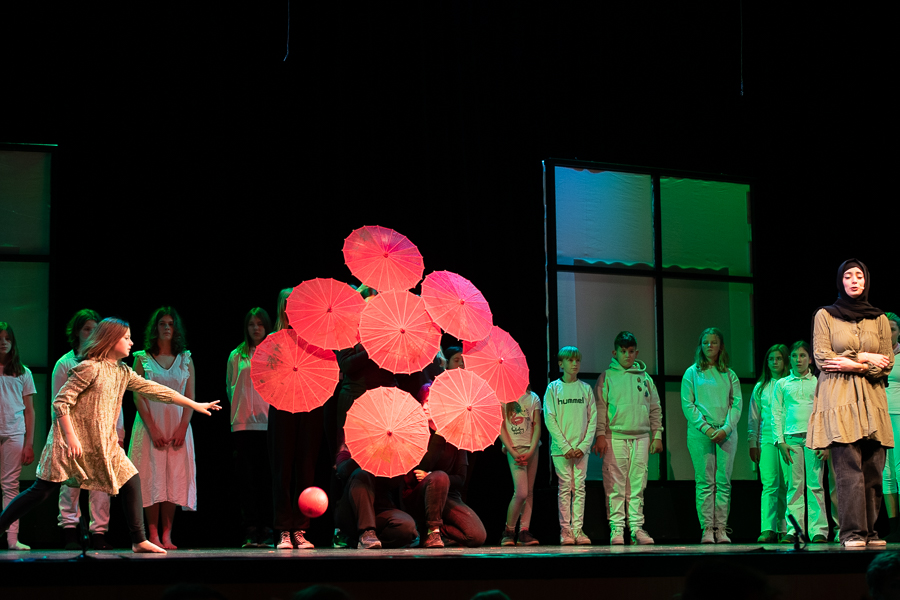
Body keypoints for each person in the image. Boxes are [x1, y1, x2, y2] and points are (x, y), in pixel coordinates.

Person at [0, 318, 220, 554]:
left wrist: (193, 404)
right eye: (126, 338)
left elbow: (155, 389)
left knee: (131, 479)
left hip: (102, 444)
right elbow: (61, 402)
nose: (131, 342)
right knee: (40, 491)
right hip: (70, 443)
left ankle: (139, 540)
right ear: (111, 340)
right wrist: (71, 437)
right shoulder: (90, 367)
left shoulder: (122, 372)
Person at [807, 259, 894, 547]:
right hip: (840, 400)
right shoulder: (825, 315)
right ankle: (852, 533)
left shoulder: (879, 319)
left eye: (859, 276)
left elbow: (887, 363)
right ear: (840, 281)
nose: (854, 280)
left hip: (873, 401)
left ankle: (870, 532)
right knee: (848, 471)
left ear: (866, 280)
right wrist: (865, 359)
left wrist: (851, 362)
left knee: (873, 471)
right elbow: (823, 358)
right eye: (848, 276)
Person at [52, 309, 126, 550]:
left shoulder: (107, 363)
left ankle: (99, 533)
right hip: (73, 433)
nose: (91, 334)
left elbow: (115, 401)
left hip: (102, 433)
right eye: (86, 329)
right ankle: (70, 531)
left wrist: (119, 432)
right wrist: (63, 437)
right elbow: (57, 403)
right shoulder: (65, 363)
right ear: (77, 332)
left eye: (95, 330)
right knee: (71, 483)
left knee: (100, 484)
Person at [127, 307, 197, 550]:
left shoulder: (185, 358)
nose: (167, 327)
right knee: (151, 477)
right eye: (162, 323)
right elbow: (137, 395)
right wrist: (153, 429)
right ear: (155, 328)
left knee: (173, 479)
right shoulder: (142, 358)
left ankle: (167, 536)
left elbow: (190, 397)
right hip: (150, 425)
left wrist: (182, 427)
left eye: (171, 323)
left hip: (177, 425)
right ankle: (152, 535)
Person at [593, 331, 663, 545]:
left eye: (631, 351)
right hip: (615, 437)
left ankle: (636, 528)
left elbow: (655, 408)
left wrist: (657, 434)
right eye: (623, 351)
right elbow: (600, 407)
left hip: (641, 437)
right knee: (615, 484)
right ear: (615, 353)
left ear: (636, 353)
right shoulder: (607, 377)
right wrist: (600, 435)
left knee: (637, 485)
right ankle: (616, 528)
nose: (627, 355)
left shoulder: (645, 378)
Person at [269, 288, 323, 550]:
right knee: (282, 470)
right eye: (287, 303)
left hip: (309, 406)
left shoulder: (313, 337)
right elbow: (267, 375)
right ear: (281, 307)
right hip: (282, 406)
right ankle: (283, 530)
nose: (291, 307)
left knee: (305, 468)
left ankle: (300, 529)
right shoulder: (273, 340)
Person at [681, 327, 742, 544]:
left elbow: (736, 404)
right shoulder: (692, 373)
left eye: (714, 342)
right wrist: (706, 428)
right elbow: (688, 405)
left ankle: (721, 528)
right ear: (701, 345)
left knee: (723, 482)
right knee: (705, 482)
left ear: (720, 346)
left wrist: (725, 428)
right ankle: (707, 528)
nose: (709, 346)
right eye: (705, 342)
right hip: (701, 433)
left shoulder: (729, 374)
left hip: (726, 433)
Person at [226, 307, 274, 548]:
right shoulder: (237, 355)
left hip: (267, 424)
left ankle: (267, 528)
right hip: (243, 425)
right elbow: (230, 387)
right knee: (246, 480)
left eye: (260, 324)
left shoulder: (274, 353)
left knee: (266, 478)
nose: (256, 328)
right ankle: (250, 529)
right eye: (252, 324)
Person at [772, 340, 829, 543]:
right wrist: (780, 442)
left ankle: (818, 530)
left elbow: (824, 413)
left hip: (814, 439)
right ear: (790, 359)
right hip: (791, 440)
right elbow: (776, 413)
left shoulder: (818, 382)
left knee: (815, 485)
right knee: (794, 486)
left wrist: (825, 441)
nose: (798, 359)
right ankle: (795, 530)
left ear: (810, 359)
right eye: (795, 356)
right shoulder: (782, 384)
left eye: (803, 355)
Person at [544, 346, 596, 545]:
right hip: (561, 451)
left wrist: (583, 446)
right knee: (565, 488)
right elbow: (550, 418)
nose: (574, 364)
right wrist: (565, 447)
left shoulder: (585, 389)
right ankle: (566, 531)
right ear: (561, 363)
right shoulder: (553, 388)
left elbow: (592, 419)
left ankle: (578, 530)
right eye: (570, 360)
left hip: (581, 449)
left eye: (577, 360)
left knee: (579, 488)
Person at [402, 429, 486, 548]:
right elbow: (420, 468)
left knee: (476, 537)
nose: (425, 409)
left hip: (448, 495)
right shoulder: (418, 433)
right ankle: (433, 531)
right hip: (420, 493)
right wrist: (438, 437)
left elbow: (461, 479)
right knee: (439, 477)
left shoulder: (456, 438)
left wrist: (430, 475)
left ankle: (430, 531)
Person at [334, 444, 417, 550]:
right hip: (352, 513)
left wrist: (388, 459)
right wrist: (366, 455)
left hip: (379, 511)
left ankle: (357, 542)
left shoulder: (388, 454)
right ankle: (366, 532)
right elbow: (343, 471)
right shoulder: (348, 451)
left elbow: (394, 484)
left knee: (406, 526)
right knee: (362, 474)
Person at [747, 343, 790, 543]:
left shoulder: (789, 384)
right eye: (771, 359)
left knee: (787, 484)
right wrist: (752, 443)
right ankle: (768, 528)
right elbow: (754, 418)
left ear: (785, 361)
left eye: (778, 358)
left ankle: (785, 528)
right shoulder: (761, 387)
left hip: (787, 438)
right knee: (770, 484)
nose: (774, 362)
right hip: (766, 438)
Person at [0, 323, 35, 550]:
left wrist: (29, 444)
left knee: (10, 486)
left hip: (14, 433)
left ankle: (12, 539)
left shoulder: (23, 372)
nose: (3, 342)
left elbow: (29, 410)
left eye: (7, 338)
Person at [498, 384, 541, 546]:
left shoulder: (533, 398)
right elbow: (501, 427)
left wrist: (531, 450)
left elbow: (537, 426)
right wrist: (512, 451)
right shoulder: (503, 399)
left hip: (531, 448)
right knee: (521, 492)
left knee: (528, 491)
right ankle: (509, 531)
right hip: (514, 449)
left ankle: (524, 530)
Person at [882, 312, 900, 541]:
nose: (888, 333)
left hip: (898, 414)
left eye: (892, 329)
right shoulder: (874, 356)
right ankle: (894, 527)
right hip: (880, 417)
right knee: (886, 471)